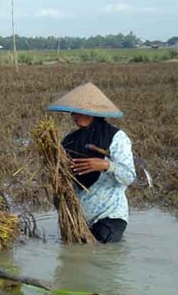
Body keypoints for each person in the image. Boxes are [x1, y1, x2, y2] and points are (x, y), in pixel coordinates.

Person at [47, 82, 136, 243]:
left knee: (103, 259)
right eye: (73, 111)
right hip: (79, 220)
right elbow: (64, 179)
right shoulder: (69, 140)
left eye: (79, 111)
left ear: (94, 112)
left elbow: (129, 177)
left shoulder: (116, 137)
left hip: (110, 216)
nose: (74, 115)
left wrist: (106, 165)